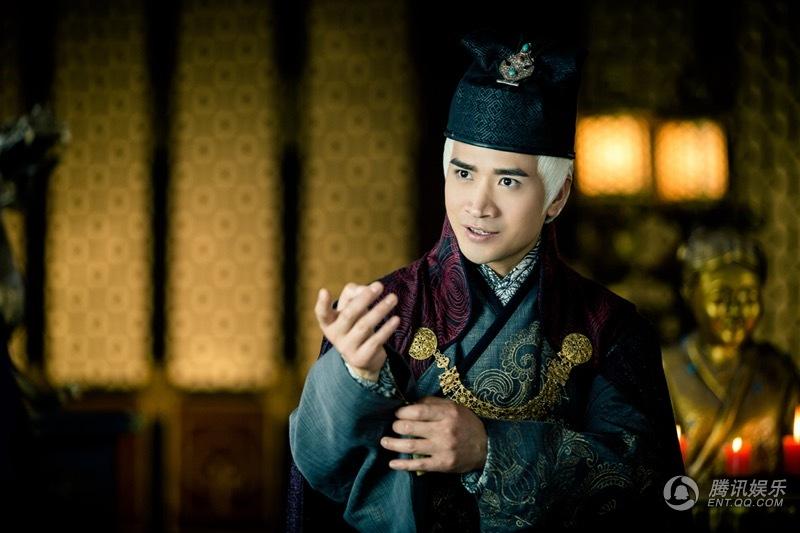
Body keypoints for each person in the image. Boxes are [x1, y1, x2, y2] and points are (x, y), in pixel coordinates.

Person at [287, 30, 685, 531]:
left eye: (508, 180)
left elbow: (650, 485)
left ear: (557, 197)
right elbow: (321, 486)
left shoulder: (609, 328)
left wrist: (490, 449)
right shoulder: (385, 311)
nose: (478, 204)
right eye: (463, 173)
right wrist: (352, 380)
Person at [663, 227, 800, 487]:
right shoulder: (664, 368)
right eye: (721, 297)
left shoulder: (778, 372)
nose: (736, 310)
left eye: (748, 297)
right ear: (690, 294)